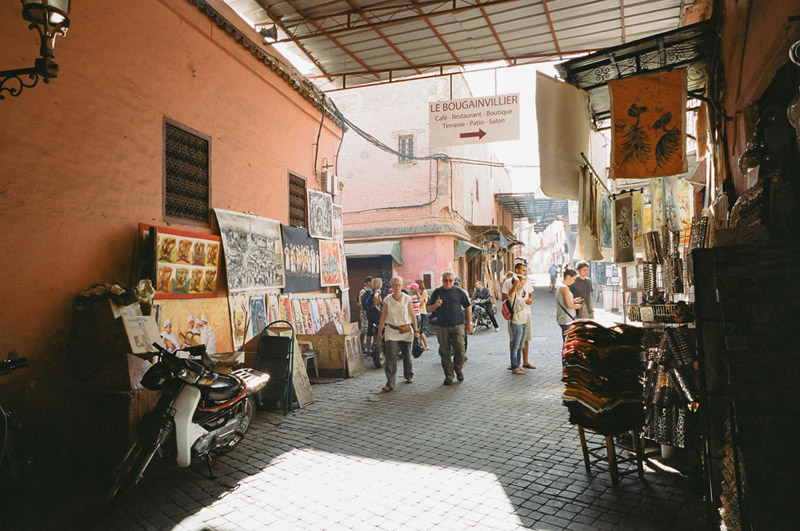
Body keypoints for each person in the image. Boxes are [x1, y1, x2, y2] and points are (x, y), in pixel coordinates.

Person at [427, 271, 472, 385]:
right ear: (442, 281)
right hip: (442, 326)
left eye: (450, 280)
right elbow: (429, 308)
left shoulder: (459, 292)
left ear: (454, 281)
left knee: (460, 349)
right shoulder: (437, 292)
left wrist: (469, 323)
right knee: (444, 351)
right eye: (445, 280)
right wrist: (436, 305)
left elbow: (467, 307)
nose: (448, 282)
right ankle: (449, 375)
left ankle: (458, 369)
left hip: (458, 325)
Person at [376, 276, 420, 392]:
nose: (397, 287)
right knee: (390, 357)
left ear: (402, 286)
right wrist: (379, 332)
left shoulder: (407, 299)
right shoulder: (387, 300)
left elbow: (412, 315)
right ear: (391, 286)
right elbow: (383, 317)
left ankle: (408, 374)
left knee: (407, 355)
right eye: (395, 285)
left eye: (399, 285)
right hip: (391, 331)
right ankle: (390, 382)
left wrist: (416, 331)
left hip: (405, 331)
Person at [502, 263, 534, 369]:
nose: (524, 273)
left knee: (525, 339)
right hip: (514, 316)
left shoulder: (527, 281)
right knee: (514, 340)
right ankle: (514, 363)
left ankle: (524, 361)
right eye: (522, 270)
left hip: (526, 314)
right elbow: (505, 299)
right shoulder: (509, 282)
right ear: (516, 270)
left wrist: (530, 300)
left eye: (526, 270)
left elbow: (530, 294)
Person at [507, 275, 531, 374]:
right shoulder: (512, 293)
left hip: (523, 320)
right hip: (516, 321)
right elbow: (516, 281)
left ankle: (519, 364)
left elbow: (525, 279)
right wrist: (515, 277)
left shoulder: (521, 292)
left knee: (521, 345)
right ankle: (515, 367)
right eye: (520, 283)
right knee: (515, 345)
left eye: (522, 283)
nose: (521, 285)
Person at [557, 268, 584, 343]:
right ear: (568, 277)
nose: (574, 282)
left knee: (566, 342)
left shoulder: (559, 285)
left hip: (563, 318)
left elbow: (564, 301)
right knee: (568, 343)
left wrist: (574, 301)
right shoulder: (564, 288)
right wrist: (580, 306)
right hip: (567, 319)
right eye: (573, 279)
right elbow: (568, 305)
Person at [365, 278, 383, 352]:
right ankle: (378, 346)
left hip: (370, 312)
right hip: (376, 313)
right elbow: (376, 296)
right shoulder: (377, 290)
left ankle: (369, 349)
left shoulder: (371, 290)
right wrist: (376, 305)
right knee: (379, 328)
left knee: (369, 330)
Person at [358, 276, 374, 351]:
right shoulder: (363, 291)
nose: (373, 283)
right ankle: (361, 346)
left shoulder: (371, 290)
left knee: (367, 330)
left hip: (369, 312)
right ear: (368, 282)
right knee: (364, 330)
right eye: (372, 282)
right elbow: (361, 303)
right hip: (365, 312)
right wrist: (364, 311)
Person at [414, 279, 430, 350]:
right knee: (418, 329)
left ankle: (426, 345)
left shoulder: (424, 292)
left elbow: (421, 301)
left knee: (421, 331)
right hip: (417, 312)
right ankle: (420, 345)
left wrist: (417, 293)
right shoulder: (416, 292)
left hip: (422, 312)